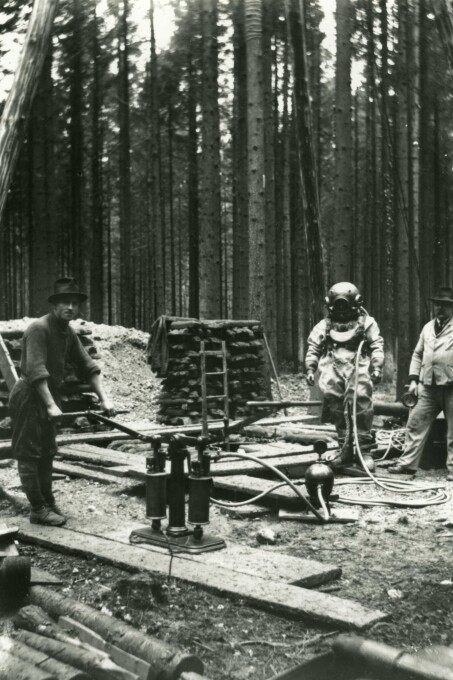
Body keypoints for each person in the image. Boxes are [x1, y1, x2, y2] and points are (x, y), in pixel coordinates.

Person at [9, 277, 115, 526]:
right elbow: (35, 370)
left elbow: (87, 366)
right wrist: (50, 404)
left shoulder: (67, 332)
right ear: (54, 306)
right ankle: (37, 509)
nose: (71, 308)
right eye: (65, 303)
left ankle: (48, 502)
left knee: (47, 451)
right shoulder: (39, 329)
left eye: (75, 303)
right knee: (29, 452)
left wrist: (105, 399)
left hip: (48, 395)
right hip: (29, 395)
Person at [305, 282, 384, 468]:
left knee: (361, 404)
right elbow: (313, 347)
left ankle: (364, 450)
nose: (341, 310)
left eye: (344, 305)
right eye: (337, 305)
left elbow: (377, 346)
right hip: (332, 367)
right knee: (336, 406)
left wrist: (377, 367)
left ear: (355, 303)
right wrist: (310, 368)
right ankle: (344, 448)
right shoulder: (324, 325)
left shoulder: (367, 323)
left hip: (359, 365)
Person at [388, 286, 453, 478]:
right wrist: (414, 380)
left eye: (445, 305)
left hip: (451, 387)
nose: (440, 309)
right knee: (415, 424)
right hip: (427, 387)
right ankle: (407, 465)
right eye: (437, 305)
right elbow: (417, 354)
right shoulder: (427, 327)